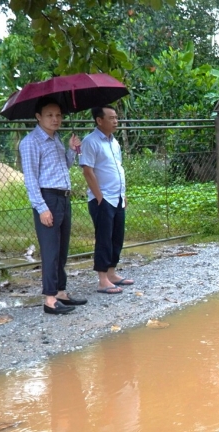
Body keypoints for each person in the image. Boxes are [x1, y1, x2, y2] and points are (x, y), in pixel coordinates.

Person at [19, 97, 88, 315]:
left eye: (58, 115)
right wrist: (42, 208)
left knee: (61, 249)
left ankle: (60, 292)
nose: (55, 119)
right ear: (38, 117)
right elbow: (30, 178)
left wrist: (72, 150)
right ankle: (49, 299)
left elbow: (63, 166)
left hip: (63, 197)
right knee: (50, 250)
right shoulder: (31, 142)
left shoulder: (56, 138)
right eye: (49, 115)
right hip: (48, 198)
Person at [80, 105, 133, 294]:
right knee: (103, 238)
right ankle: (102, 279)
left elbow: (117, 168)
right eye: (111, 118)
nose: (115, 121)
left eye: (116, 117)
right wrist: (100, 197)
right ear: (99, 120)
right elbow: (88, 170)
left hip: (117, 196)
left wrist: (123, 194)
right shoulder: (90, 142)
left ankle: (112, 273)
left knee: (116, 236)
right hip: (102, 199)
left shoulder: (114, 142)